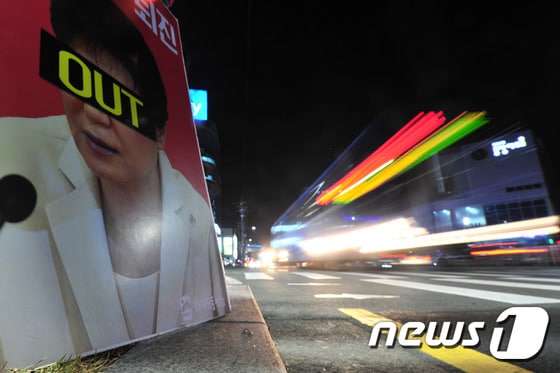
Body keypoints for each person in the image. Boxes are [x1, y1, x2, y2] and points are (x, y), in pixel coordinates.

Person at [0, 0, 229, 369]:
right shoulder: (12, 150)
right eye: (78, 79)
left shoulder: (196, 215)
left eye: (118, 101)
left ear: (160, 134)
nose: (92, 112)